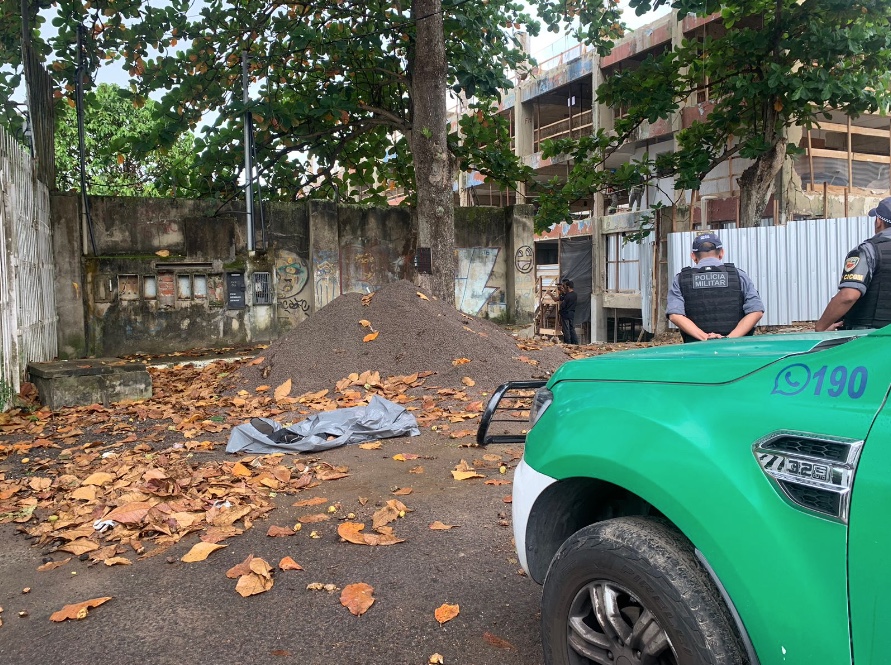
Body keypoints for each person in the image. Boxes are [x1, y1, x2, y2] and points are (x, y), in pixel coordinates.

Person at [667, 232, 764, 343]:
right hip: (737, 350)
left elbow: (675, 315)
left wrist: (705, 337)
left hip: (696, 350)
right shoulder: (739, 275)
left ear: (693, 256)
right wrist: (729, 339)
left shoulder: (680, 279)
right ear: (721, 253)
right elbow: (756, 311)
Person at [816, 196, 891, 331]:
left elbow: (848, 296)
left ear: (879, 221)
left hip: (870, 340)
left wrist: (821, 327)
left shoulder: (868, 250)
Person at [558, 279, 579, 345]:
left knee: (566, 330)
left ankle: (568, 343)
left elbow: (563, 305)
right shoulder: (575, 295)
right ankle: (575, 343)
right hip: (571, 314)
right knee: (572, 329)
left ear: (568, 287)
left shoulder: (567, 296)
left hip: (566, 314)